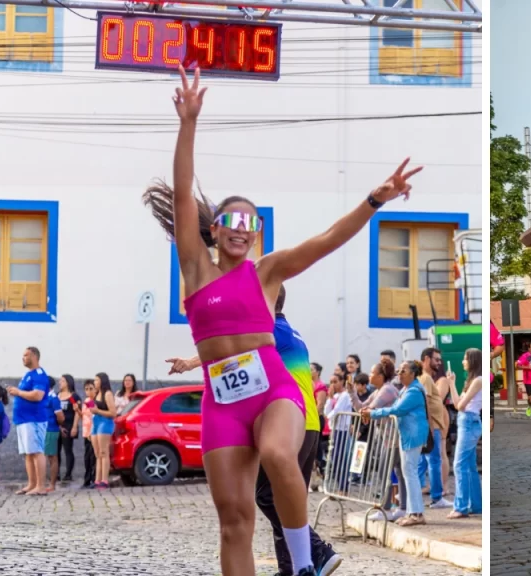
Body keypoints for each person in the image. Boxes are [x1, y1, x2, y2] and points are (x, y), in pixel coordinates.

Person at [140, 66, 420, 576]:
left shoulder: (267, 273)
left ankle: (302, 565)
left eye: (251, 222)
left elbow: (329, 238)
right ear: (215, 229)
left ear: (258, 231)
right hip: (222, 402)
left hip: (274, 392)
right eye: (232, 221)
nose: (241, 230)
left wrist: (375, 199)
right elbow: (183, 195)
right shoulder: (195, 270)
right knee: (234, 522)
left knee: (275, 451)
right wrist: (189, 122)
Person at [166, 285, 340, 576]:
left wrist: (190, 363)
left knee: (268, 496)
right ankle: (291, 569)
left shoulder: (269, 329)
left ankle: (317, 549)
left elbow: (229, 350)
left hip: (288, 423)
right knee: (283, 496)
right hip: (307, 422)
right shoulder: (291, 332)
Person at [360, 360, 429, 527]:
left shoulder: (413, 391)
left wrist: (373, 413)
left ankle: (416, 513)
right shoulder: (406, 389)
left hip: (412, 436)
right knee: (408, 473)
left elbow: (397, 410)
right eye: (399, 370)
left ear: (413, 374)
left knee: (410, 473)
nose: (399, 373)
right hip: (407, 435)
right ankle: (413, 512)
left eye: (403, 370)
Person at [444, 349, 482, 519]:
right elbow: (457, 403)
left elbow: (460, 405)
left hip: (468, 422)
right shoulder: (472, 381)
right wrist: (452, 383)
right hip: (466, 421)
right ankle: (475, 504)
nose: (463, 362)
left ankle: (461, 506)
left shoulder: (478, 380)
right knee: (469, 466)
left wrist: (453, 386)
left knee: (459, 465)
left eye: (465, 359)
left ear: (472, 361)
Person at [8, 346, 50, 496]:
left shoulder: (39, 375)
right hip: (23, 420)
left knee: (37, 451)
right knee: (28, 453)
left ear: (34, 356)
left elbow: (38, 395)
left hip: (34, 419)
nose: (23, 358)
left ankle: (41, 486)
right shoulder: (28, 375)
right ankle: (32, 484)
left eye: (26, 355)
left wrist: (18, 392)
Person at [418, 347, 452, 508]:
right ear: (426, 359)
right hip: (432, 426)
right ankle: (437, 497)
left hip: (432, 424)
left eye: (440, 359)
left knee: (424, 461)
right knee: (433, 460)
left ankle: (419, 491)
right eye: (436, 359)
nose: (439, 362)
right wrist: (431, 427)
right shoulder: (425, 378)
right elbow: (427, 404)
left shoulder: (427, 378)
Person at [90, 373, 118, 489]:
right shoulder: (96, 394)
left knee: (103, 452)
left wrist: (98, 411)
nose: (95, 382)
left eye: (97, 380)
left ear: (102, 381)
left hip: (105, 422)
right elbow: (94, 409)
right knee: (97, 454)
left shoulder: (107, 394)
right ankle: (97, 480)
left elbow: (113, 413)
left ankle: (104, 480)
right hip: (96, 422)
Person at [56, 375, 81, 483]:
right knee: (56, 451)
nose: (60, 383)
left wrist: (75, 426)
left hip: (69, 425)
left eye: (62, 381)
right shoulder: (57, 395)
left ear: (68, 382)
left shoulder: (74, 396)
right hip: (57, 426)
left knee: (68, 450)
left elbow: (77, 412)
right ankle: (56, 473)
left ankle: (68, 474)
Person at [44, 377, 65, 492]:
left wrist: (58, 425)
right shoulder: (43, 397)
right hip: (42, 430)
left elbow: (60, 417)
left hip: (51, 429)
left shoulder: (53, 398)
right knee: (45, 456)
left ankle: (52, 484)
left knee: (52, 457)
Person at [80, 379, 96, 489]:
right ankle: (87, 479)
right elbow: (83, 416)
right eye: (86, 389)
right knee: (87, 457)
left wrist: (92, 431)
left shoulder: (96, 401)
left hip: (93, 432)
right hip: (86, 432)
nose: (88, 391)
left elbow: (95, 417)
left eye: (91, 389)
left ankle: (93, 478)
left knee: (93, 457)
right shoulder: (86, 401)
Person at [489, 321, 504, 433]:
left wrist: (492, 354)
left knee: (489, 423)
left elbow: (500, 346)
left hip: (486, 380)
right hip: (470, 379)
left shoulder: (489, 327)